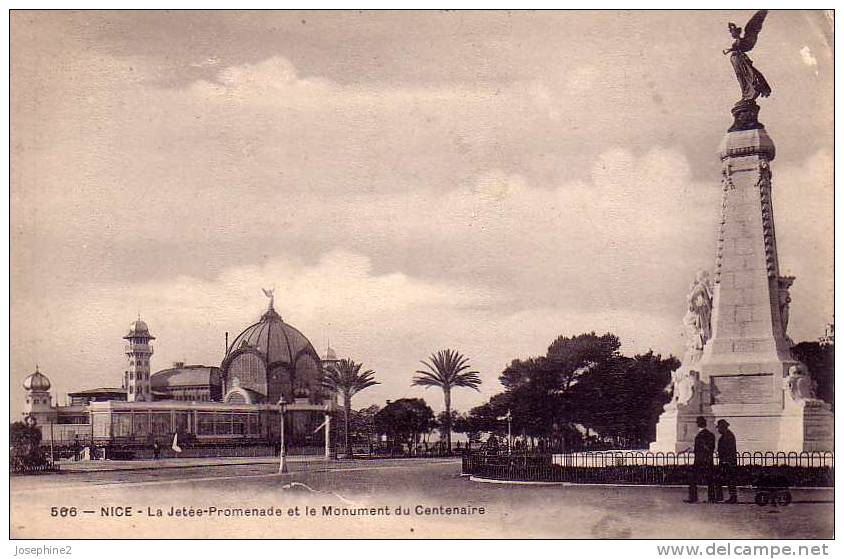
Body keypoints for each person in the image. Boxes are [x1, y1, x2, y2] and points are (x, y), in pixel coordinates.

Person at [685, 416, 716, 503]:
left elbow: (702, 447)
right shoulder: (710, 434)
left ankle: (693, 498)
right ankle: (711, 498)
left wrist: (694, 450)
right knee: (710, 479)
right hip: (708, 460)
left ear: (698, 424)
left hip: (700, 460)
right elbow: (710, 448)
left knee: (693, 478)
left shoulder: (700, 435)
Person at [716, 419, 738, 504]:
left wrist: (726, 461)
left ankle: (732, 497)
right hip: (726, 461)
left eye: (719, 428)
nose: (718, 430)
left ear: (723, 427)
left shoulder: (728, 436)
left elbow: (729, 450)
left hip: (727, 462)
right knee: (727, 480)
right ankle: (728, 497)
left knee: (729, 480)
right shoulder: (727, 435)